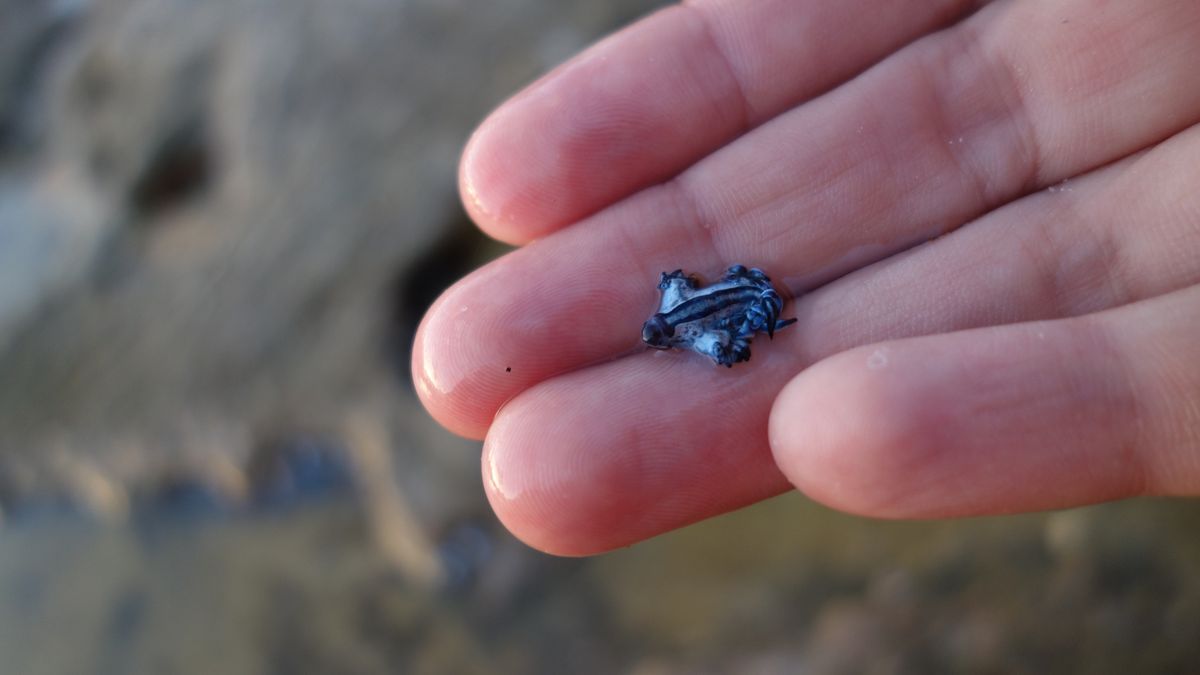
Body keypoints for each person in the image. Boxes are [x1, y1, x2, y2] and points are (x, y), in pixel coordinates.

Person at [413, 0, 1200, 556]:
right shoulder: (681, 307)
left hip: (751, 291)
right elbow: (696, 305)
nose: (654, 330)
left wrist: (725, 329)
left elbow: (706, 318)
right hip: (747, 293)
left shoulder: (684, 309)